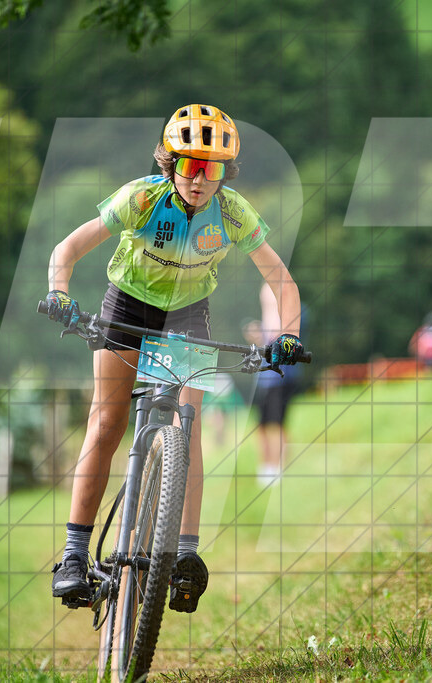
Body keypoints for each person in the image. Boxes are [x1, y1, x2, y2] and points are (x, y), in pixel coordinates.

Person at [45, 104, 304, 612]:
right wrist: (58, 293)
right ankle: (75, 553)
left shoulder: (232, 212)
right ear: (171, 163)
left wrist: (287, 336)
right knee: (107, 422)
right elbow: (67, 249)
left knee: (188, 429)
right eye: (191, 165)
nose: (201, 179)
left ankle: (184, 553)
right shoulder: (142, 197)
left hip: (187, 315)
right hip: (126, 306)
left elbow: (281, 281)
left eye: (214, 169)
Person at [244, 283, 305, 486]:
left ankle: (277, 468)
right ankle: (266, 466)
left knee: (278, 423)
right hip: (264, 379)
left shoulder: (291, 315)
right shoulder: (269, 320)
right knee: (262, 425)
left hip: (281, 377)